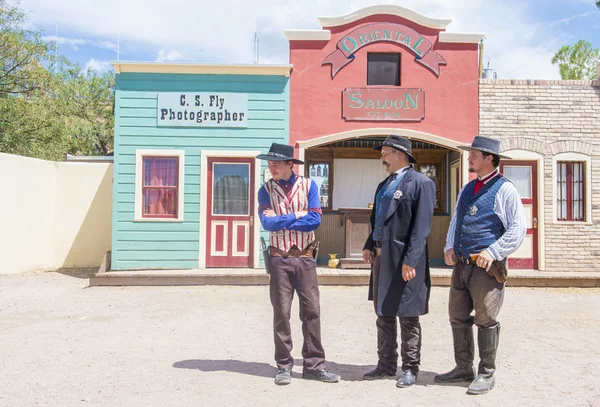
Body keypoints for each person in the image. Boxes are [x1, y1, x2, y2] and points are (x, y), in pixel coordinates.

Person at [434, 136, 526, 395]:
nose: (470, 158)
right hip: (461, 265)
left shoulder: (505, 189)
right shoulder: (466, 189)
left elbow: (518, 229)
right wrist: (449, 246)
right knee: (457, 316)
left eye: (474, 154)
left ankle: (487, 372)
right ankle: (463, 368)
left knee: (486, 317)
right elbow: (456, 221)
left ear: (489, 158)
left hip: (486, 267)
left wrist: (493, 251)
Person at [256, 143, 340, 386]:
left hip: (305, 257)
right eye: (270, 163)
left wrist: (284, 220)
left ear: (290, 164)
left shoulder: (309, 185)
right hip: (279, 258)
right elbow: (267, 224)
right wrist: (297, 215)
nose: (272, 167)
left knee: (312, 311)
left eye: (277, 163)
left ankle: (314, 365)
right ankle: (284, 366)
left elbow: (314, 220)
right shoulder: (265, 191)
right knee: (281, 313)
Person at [362, 135, 436, 388]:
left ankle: (410, 368)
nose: (381, 158)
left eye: (384, 153)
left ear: (399, 153)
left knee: (407, 314)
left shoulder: (421, 183)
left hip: (405, 259)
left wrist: (411, 260)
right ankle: (385, 365)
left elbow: (421, 227)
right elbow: (377, 218)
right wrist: (369, 244)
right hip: (382, 259)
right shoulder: (384, 185)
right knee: (383, 313)